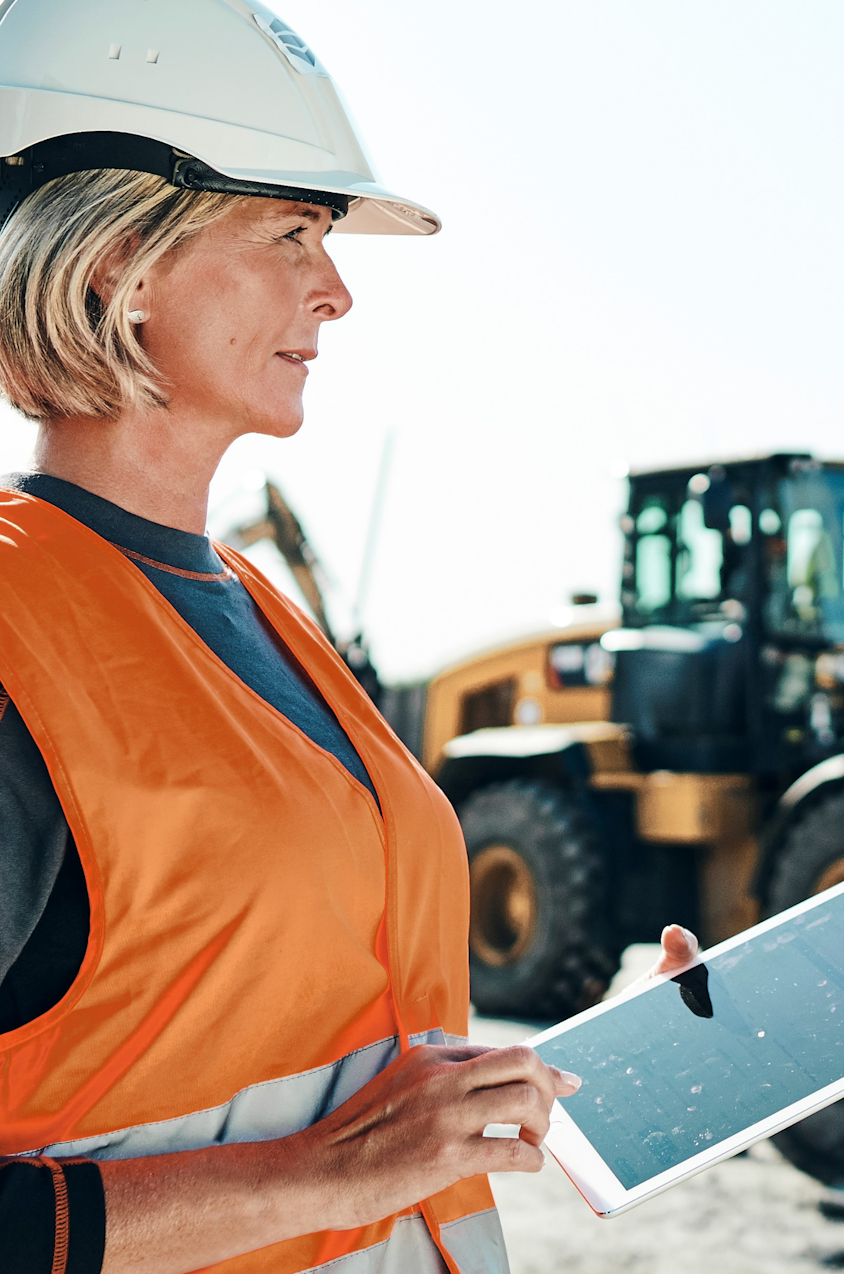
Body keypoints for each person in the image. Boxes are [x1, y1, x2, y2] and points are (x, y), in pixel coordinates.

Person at [0, 3, 699, 1272]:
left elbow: (313, 1025)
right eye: (291, 231)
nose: (337, 288)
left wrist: (574, 1058)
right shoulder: (12, 633)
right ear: (116, 262)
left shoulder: (266, 619)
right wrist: (320, 1176)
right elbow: (332, 1148)